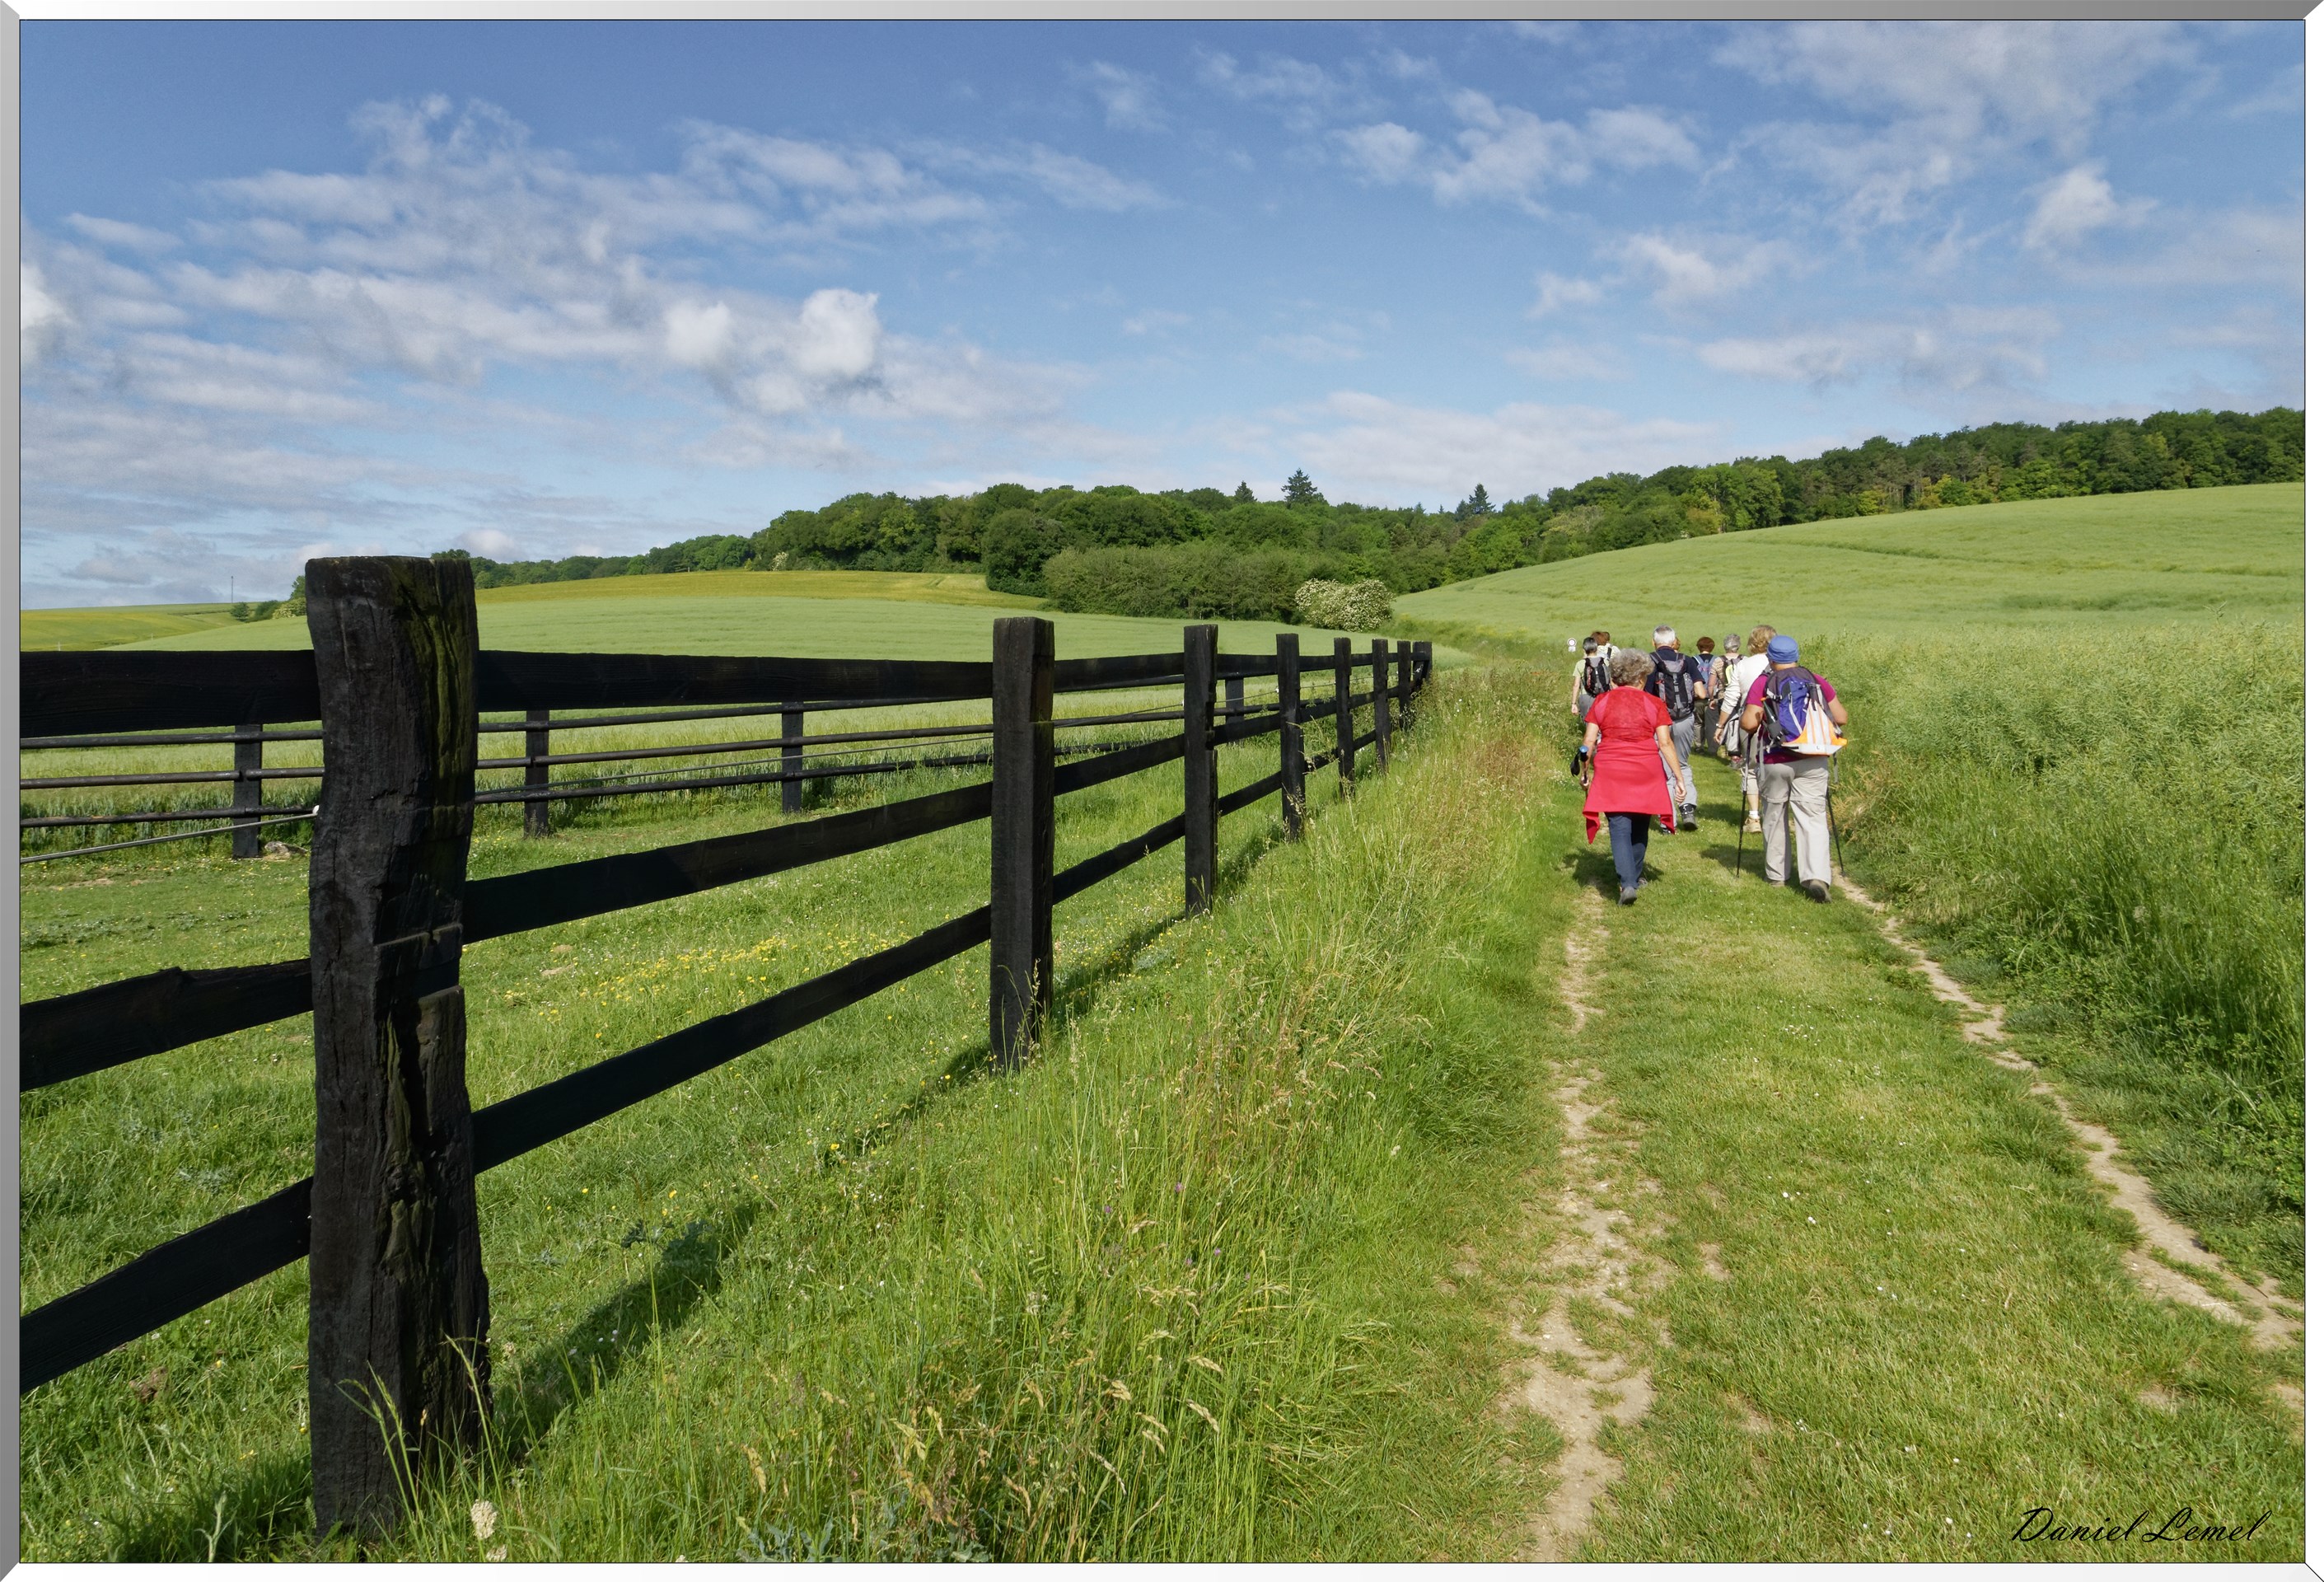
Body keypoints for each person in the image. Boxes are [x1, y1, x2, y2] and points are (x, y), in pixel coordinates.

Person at [1739, 634, 1849, 903]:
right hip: (1813, 758)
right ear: (1797, 655)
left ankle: (1777, 876)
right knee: (1812, 817)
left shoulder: (1764, 682)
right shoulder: (1815, 679)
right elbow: (1842, 718)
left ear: (1771, 658)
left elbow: (1748, 724)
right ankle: (1817, 877)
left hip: (1776, 759)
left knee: (1775, 815)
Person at [1580, 648, 1686, 906]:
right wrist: (1679, 777)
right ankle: (1633, 877)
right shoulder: (1654, 703)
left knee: (1618, 825)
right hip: (1645, 769)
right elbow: (1665, 743)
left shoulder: (1601, 702)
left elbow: (1588, 741)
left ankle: (1628, 882)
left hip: (1611, 768)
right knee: (1640, 823)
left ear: (1617, 677)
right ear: (1641, 678)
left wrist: (1584, 771)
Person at [1642, 625, 1706, 831]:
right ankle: (1687, 808)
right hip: (1685, 718)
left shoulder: (1650, 661)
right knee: (1683, 764)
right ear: (1673, 641)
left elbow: (1645, 696)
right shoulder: (1687, 661)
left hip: (1659, 722)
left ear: (1654, 642)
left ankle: (1668, 819)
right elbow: (1701, 693)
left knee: (1664, 769)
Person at [1718, 625, 1774, 831]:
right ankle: (1772, 812)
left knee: (1750, 768)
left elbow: (1732, 696)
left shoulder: (1744, 665)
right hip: (1777, 722)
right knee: (1773, 766)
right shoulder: (1779, 663)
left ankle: (1753, 817)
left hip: (1750, 720)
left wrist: (1721, 724)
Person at [1569, 632, 1613, 718]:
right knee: (1603, 722)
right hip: (1603, 696)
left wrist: (1573, 703)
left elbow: (1576, 685)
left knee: (1589, 723)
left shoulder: (1580, 664)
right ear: (1597, 649)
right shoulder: (1606, 662)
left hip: (1586, 697)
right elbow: (1611, 681)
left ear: (1584, 650)